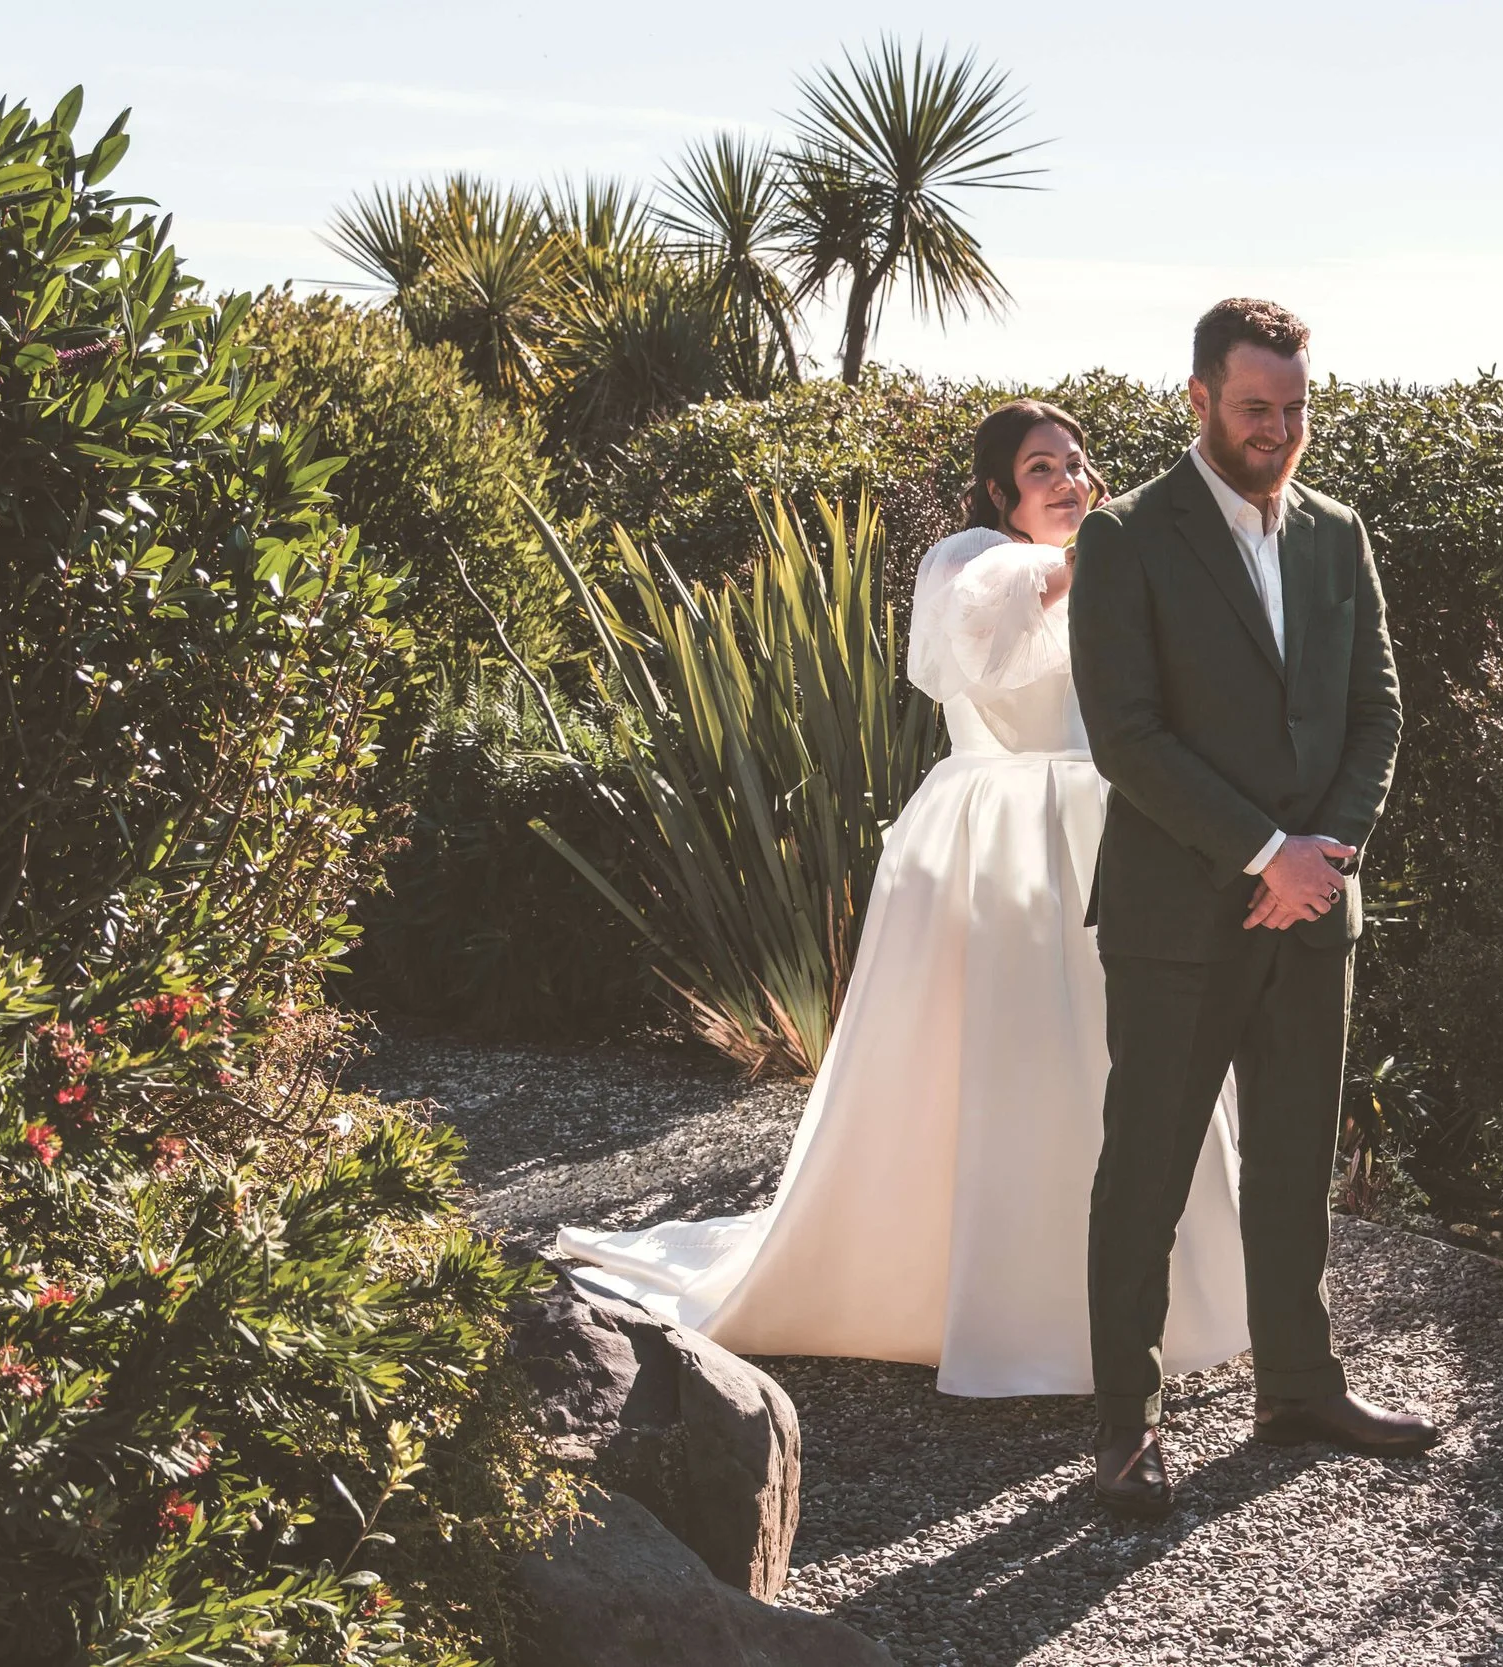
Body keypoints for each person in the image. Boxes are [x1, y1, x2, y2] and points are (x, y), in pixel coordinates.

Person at [556, 401, 1250, 1396]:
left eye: (1075, 463)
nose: (1066, 480)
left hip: (1111, 828)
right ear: (999, 490)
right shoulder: (973, 559)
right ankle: (998, 1300)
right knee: (1004, 1058)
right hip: (1002, 830)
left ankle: (1146, 1295)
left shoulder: (1105, 567)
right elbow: (995, 631)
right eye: (1040, 467)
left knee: (1121, 1057)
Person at [1070, 298, 1439, 1520]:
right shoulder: (1126, 538)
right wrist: (1262, 851)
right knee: (1148, 1171)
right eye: (1252, 409)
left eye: (1292, 410)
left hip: (1315, 905)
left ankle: (1297, 1384)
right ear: (1197, 400)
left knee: (1291, 1165)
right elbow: (1125, 735)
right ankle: (1126, 1427)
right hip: (1179, 913)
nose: (1277, 431)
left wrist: (1322, 852)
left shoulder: (1340, 533)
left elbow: (1378, 710)